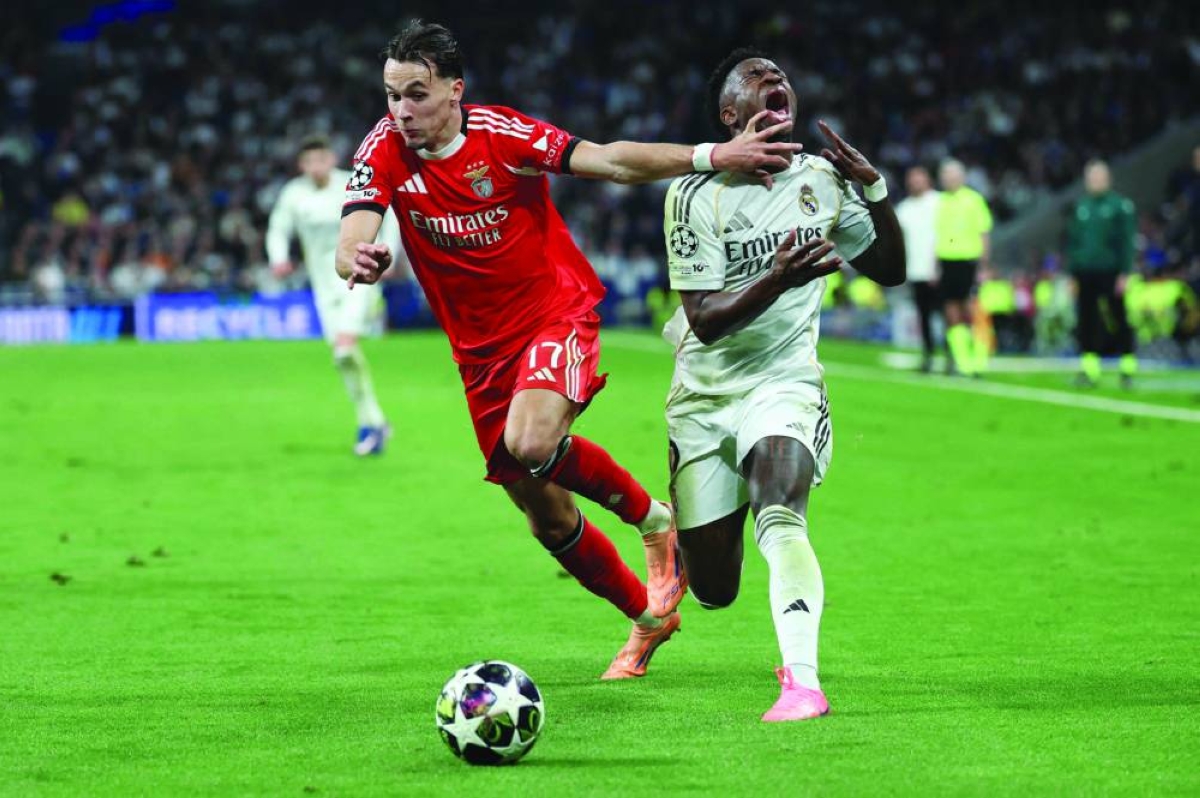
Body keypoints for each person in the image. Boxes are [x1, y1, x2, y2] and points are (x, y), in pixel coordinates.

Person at [335, 21, 799, 678]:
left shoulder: (503, 136)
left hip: (552, 313)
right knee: (547, 518)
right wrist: (357, 253)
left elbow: (609, 159)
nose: (401, 111)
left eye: (416, 94)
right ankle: (648, 617)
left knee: (531, 442)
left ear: (454, 91)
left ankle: (654, 519)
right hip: (479, 355)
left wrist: (710, 156)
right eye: (391, 95)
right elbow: (351, 230)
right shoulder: (383, 148)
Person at [661, 48, 905, 721]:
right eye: (756, 78)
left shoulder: (822, 180)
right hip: (706, 398)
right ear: (731, 114)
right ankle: (686, 513)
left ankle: (802, 681)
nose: (777, 81)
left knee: (780, 506)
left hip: (785, 381)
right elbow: (704, 322)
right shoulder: (692, 193)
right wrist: (780, 277)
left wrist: (876, 193)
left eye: (782, 78)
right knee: (714, 588)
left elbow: (888, 269)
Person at [267, 135, 401, 455]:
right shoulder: (294, 194)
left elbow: (388, 214)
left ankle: (372, 424)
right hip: (323, 287)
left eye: (322, 158)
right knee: (343, 359)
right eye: (310, 161)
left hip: (360, 279)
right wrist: (279, 258)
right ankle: (373, 421)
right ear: (302, 165)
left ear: (332, 159)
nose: (317, 166)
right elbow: (278, 227)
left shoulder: (352, 183)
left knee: (344, 348)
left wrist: (391, 253)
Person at [1065, 160, 1138, 388]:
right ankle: (1090, 368)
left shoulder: (1120, 206)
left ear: (1108, 179)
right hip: (1084, 272)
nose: (1095, 181)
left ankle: (1127, 366)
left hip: (1111, 271)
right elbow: (1073, 242)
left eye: (1099, 177)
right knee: (1087, 319)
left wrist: (1125, 272)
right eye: (1091, 177)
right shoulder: (1081, 207)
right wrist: (1071, 274)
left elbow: (1127, 242)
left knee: (1118, 317)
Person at [934, 159, 993, 376]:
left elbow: (984, 234)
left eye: (953, 175)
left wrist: (984, 266)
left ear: (962, 177)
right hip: (947, 261)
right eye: (946, 175)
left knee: (973, 310)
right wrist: (935, 265)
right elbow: (936, 235)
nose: (949, 179)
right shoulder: (939, 201)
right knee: (951, 311)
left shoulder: (974, 200)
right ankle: (963, 361)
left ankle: (979, 359)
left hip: (969, 261)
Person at [895, 165, 941, 371]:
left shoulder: (939, 202)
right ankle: (928, 356)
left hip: (939, 268)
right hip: (916, 270)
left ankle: (952, 356)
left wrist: (939, 264)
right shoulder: (904, 208)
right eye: (911, 179)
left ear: (928, 179)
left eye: (919, 178)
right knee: (923, 317)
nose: (915, 182)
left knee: (947, 314)